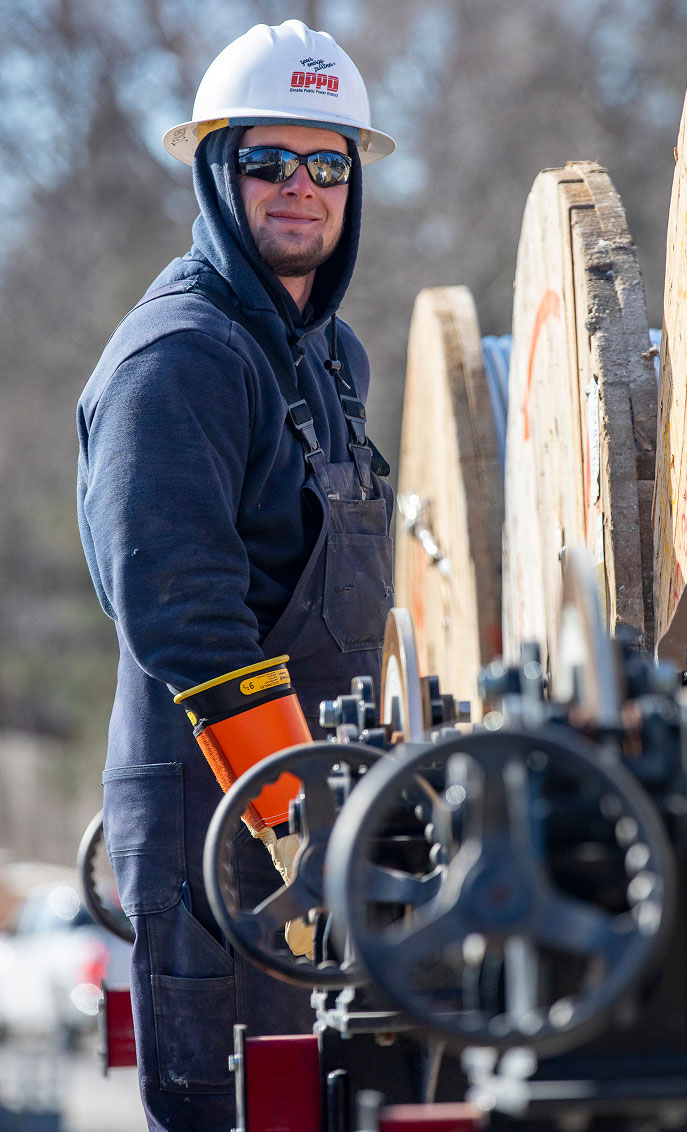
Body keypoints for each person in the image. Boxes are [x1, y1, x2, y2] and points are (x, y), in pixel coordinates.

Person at [76, 21, 395, 1132]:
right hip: (223, 831)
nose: (299, 187)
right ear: (217, 169)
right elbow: (186, 617)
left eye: (328, 163)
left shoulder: (328, 357)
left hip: (317, 814)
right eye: (268, 160)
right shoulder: (182, 358)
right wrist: (298, 824)